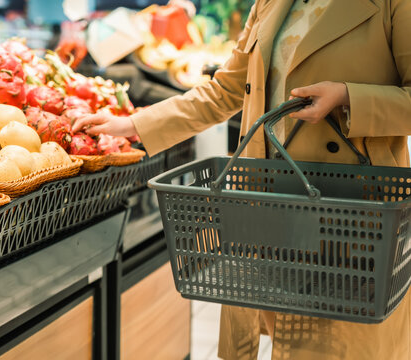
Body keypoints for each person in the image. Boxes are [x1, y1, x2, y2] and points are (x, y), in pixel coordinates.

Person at [73, 1, 411, 359]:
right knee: (283, 333)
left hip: (349, 214)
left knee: (336, 344)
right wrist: (134, 124)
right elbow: (225, 91)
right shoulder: (270, 4)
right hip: (270, 206)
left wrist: (347, 97)